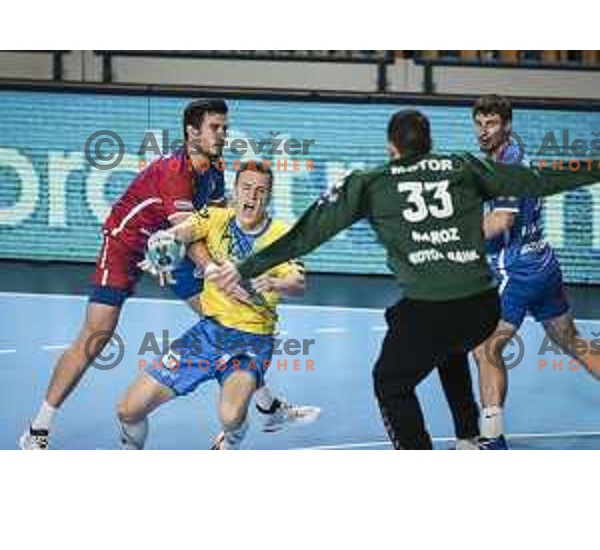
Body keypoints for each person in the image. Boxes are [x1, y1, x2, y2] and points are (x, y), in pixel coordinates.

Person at [206, 109, 600, 449]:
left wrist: (243, 267)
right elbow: (536, 180)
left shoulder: (372, 181)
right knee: (450, 346)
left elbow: (307, 233)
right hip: (481, 308)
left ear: (391, 148)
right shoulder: (462, 164)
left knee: (390, 383)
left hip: (432, 310)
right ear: (428, 144)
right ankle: (467, 438)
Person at [20, 99, 317, 450]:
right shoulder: (175, 171)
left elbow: (214, 221)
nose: (223, 134)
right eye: (215, 128)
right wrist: (213, 270)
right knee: (96, 335)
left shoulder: (215, 167)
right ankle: (38, 429)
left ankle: (266, 406)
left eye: (225, 127)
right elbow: (189, 235)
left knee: (224, 319)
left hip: (168, 252)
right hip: (127, 245)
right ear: (192, 132)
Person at [117, 162, 306, 449]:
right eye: (246, 188)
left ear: (269, 196)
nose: (252, 197)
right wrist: (162, 246)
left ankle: (230, 441)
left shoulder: (282, 235)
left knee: (230, 416)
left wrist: (274, 282)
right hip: (207, 334)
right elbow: (183, 231)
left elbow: (298, 283)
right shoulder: (214, 217)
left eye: (260, 191)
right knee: (128, 410)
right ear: (235, 191)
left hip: (251, 342)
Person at [471, 95, 600, 449]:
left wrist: (456, 239)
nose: (484, 131)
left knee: (486, 350)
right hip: (543, 263)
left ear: (507, 126)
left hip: (517, 272)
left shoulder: (508, 166)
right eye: (479, 124)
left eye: (492, 124)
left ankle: (492, 440)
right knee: (570, 340)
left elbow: (502, 220)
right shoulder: (510, 155)